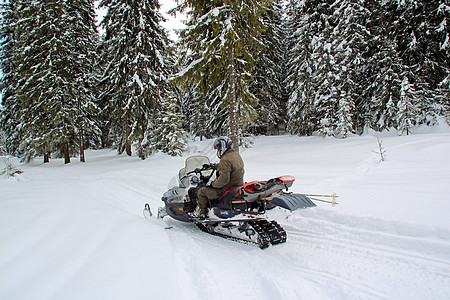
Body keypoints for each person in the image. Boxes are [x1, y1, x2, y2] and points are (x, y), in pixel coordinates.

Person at [193, 136, 245, 219]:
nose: (218, 150)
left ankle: (201, 213)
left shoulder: (225, 159)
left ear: (223, 146)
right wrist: (214, 166)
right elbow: (230, 167)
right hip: (237, 186)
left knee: (202, 191)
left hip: (225, 189)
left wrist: (212, 184)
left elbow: (224, 180)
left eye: (219, 148)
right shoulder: (235, 155)